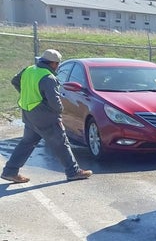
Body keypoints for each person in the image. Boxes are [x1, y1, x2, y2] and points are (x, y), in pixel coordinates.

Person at [1, 49, 92, 184]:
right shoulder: (48, 78)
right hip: (45, 117)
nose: (58, 66)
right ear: (54, 63)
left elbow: (15, 81)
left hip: (29, 113)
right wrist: (59, 111)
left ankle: (10, 171)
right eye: (58, 64)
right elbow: (55, 103)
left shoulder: (29, 69)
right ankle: (73, 172)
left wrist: (25, 93)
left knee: (27, 142)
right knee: (61, 143)